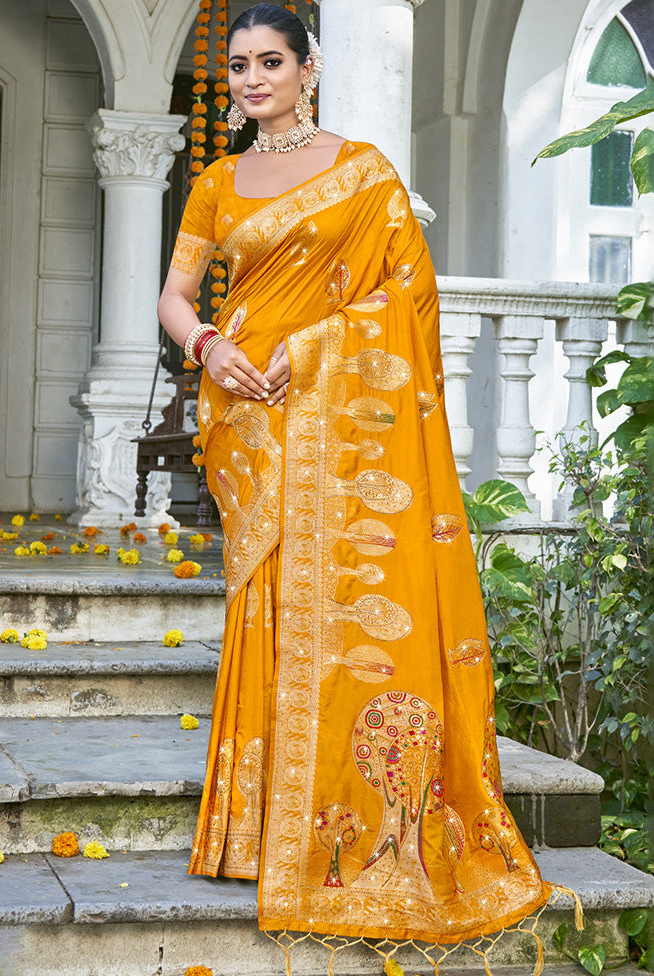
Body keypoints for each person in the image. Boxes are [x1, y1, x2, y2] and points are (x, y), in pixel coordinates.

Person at [158, 0, 551, 957]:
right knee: (270, 612)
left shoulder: (364, 173)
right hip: (251, 419)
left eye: (270, 62)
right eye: (240, 66)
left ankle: (332, 830)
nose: (252, 79)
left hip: (337, 418)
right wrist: (207, 346)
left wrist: (320, 343)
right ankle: (256, 832)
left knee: (342, 617)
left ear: (310, 67)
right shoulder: (216, 182)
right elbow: (175, 295)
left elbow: (405, 295)